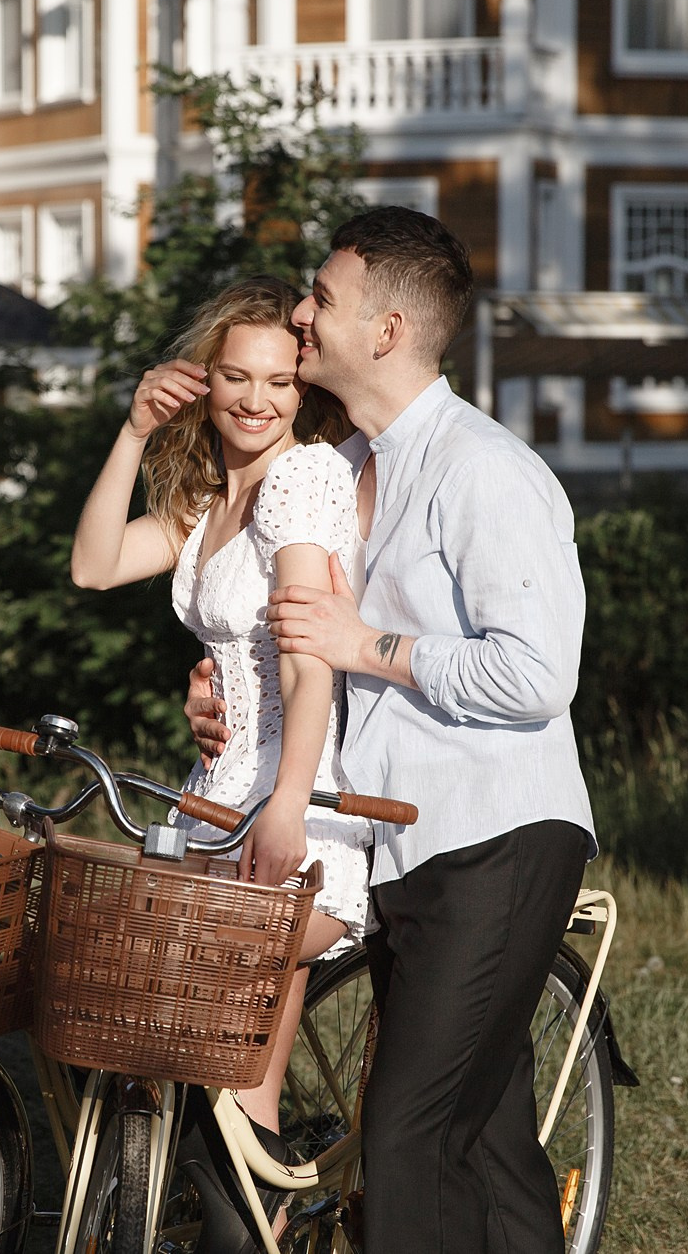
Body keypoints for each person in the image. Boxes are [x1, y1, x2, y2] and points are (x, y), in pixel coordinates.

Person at [191, 208, 595, 1254]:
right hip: (401, 842)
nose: (299, 312)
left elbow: (536, 673)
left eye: (321, 297)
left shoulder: (482, 469)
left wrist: (365, 644)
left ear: (386, 329)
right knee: (483, 1137)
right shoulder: (345, 463)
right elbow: (303, 647)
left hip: (494, 834)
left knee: (408, 1131)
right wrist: (231, 693)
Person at [69, 275, 368, 1247]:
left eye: (280, 381)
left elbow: (309, 662)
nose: (257, 399)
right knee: (187, 1064)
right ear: (205, 381)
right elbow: (93, 565)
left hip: (295, 803)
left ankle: (252, 1219)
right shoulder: (209, 499)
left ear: (301, 389)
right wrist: (131, 432)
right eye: (237, 377)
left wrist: (287, 806)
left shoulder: (301, 478)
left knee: (228, 1091)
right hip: (213, 798)